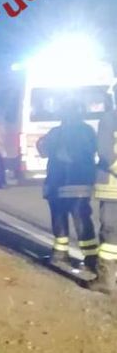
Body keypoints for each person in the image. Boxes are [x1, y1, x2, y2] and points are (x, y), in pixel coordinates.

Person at [36, 99, 98, 272]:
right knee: (82, 220)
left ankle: (60, 254)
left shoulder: (55, 132)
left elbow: (44, 151)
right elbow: (93, 150)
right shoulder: (88, 131)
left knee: (59, 218)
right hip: (81, 183)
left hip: (58, 183)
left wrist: (41, 144)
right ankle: (91, 259)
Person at [94, 92, 117, 292]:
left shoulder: (109, 118)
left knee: (110, 232)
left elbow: (105, 152)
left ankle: (105, 280)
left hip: (112, 186)